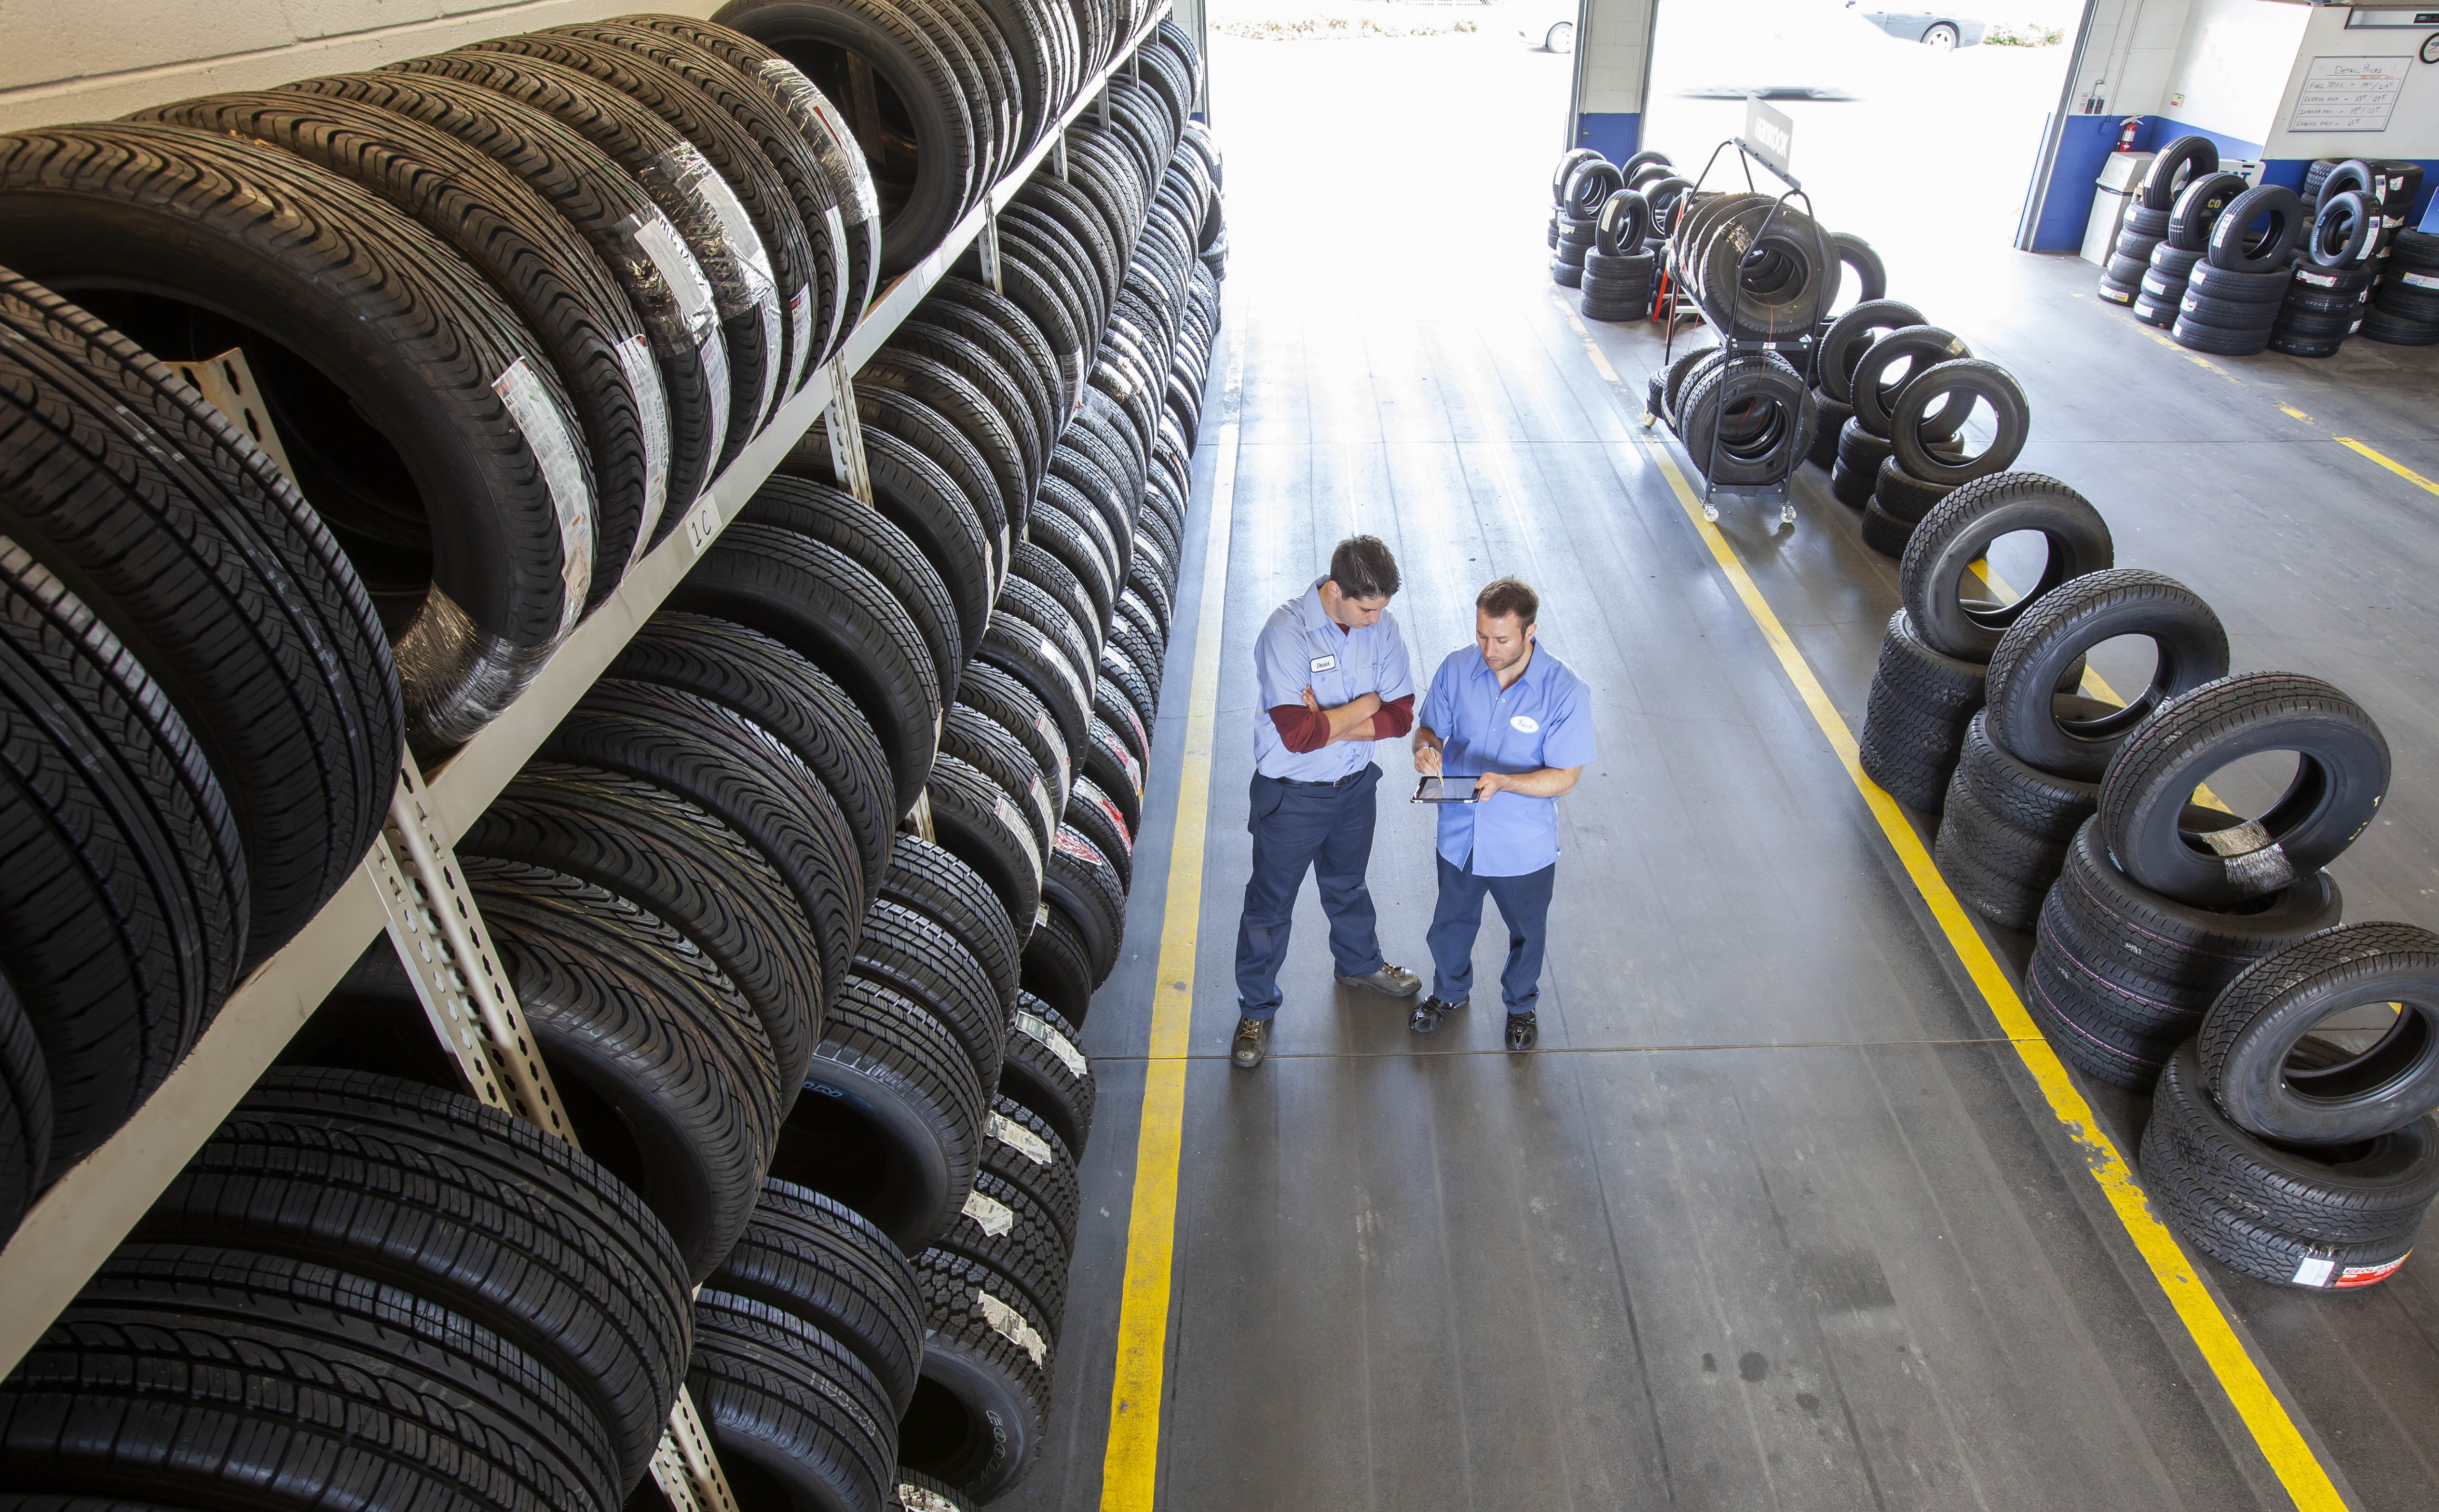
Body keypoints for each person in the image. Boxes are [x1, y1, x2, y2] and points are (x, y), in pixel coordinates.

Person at [1231, 535, 1423, 1070]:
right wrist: (1367, 703)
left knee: (1348, 884)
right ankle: (1256, 1009)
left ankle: (1358, 964)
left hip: (1355, 789)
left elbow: (1401, 716)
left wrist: (1332, 721)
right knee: (1270, 907)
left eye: (1381, 609)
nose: (1375, 620)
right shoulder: (1285, 633)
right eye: (1366, 610)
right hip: (1291, 798)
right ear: (1335, 590)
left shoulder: (1383, 627)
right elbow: (1298, 734)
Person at [1409, 577, 1594, 1052]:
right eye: (1481, 636)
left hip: (1522, 843)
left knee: (1526, 932)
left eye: (1502, 640)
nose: (1488, 650)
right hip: (1460, 832)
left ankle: (1520, 1004)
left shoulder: (1565, 692)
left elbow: (1565, 777)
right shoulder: (1456, 669)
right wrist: (1425, 750)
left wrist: (1507, 782)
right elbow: (1428, 729)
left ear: (1530, 632)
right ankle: (1449, 992)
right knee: (1451, 921)